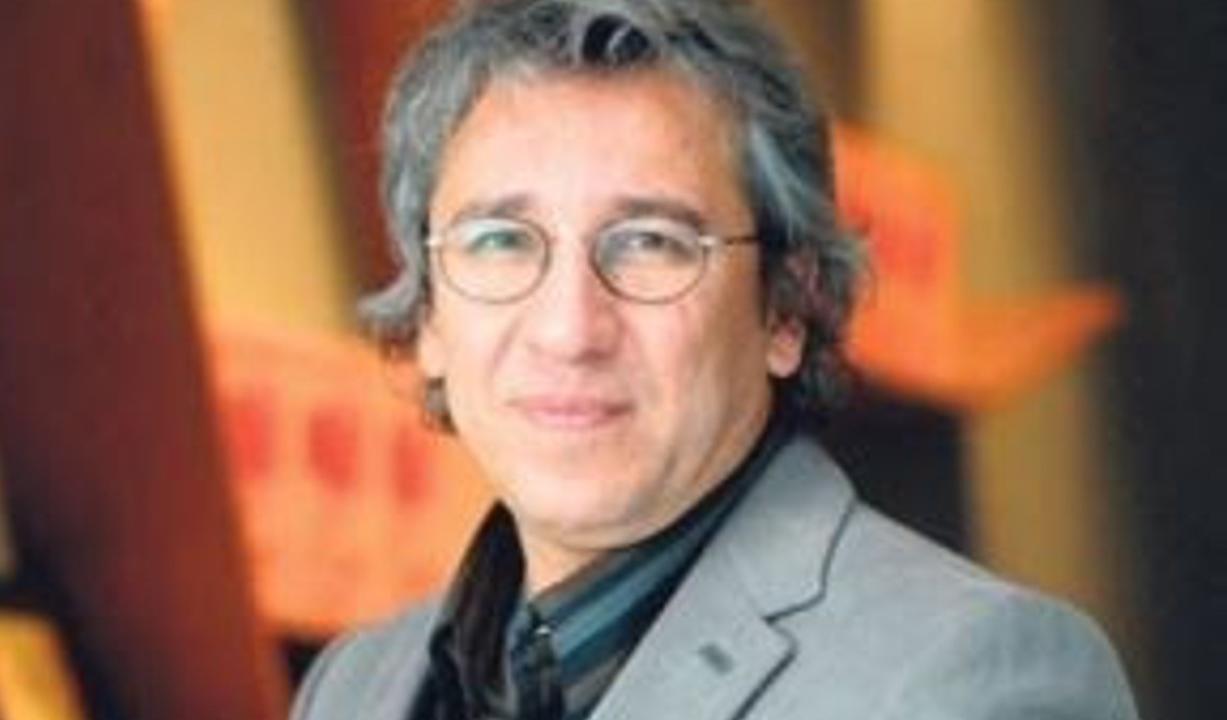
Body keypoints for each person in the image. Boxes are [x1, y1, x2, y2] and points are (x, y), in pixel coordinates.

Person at [292, 0, 1141, 718]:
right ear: (430, 316)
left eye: (650, 243)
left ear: (786, 309)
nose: (568, 330)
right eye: (500, 241)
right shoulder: (351, 686)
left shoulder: (979, 676)